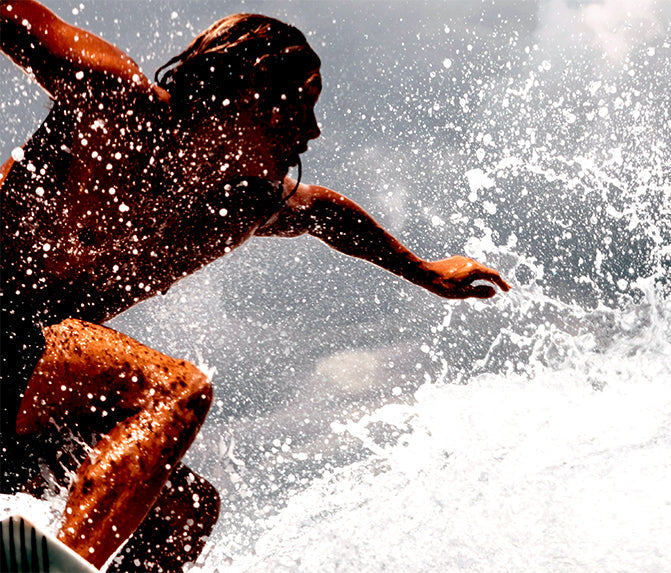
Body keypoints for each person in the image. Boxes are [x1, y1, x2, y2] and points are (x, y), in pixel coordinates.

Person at [0, 2, 510, 571]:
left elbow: (323, 212)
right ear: (246, 88)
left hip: (19, 390)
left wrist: (425, 271)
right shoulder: (114, 105)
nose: (312, 131)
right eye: (301, 105)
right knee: (174, 392)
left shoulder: (233, 205)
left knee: (185, 510)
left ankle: (50, 560)